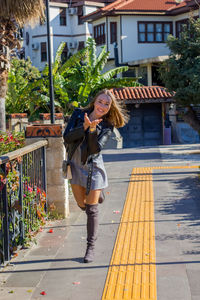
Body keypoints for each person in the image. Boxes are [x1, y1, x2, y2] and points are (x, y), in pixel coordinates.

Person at [63, 89, 128, 263]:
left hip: (94, 167)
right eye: (100, 101)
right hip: (75, 165)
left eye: (107, 104)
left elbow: (95, 149)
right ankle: (96, 195)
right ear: (94, 101)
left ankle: (90, 248)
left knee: (92, 210)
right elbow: (67, 137)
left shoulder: (107, 126)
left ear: (110, 107)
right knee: (80, 203)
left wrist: (92, 131)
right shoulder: (78, 114)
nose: (102, 106)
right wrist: (84, 126)